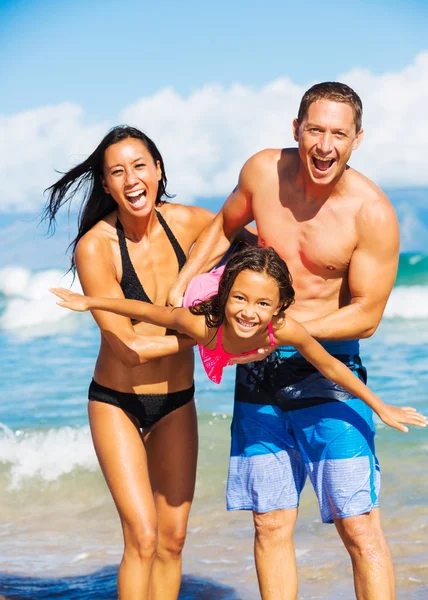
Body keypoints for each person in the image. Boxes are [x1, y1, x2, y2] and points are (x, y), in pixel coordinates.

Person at [164, 82, 409, 600]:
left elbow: (365, 317)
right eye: (315, 130)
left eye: (338, 134)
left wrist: (283, 330)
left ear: (357, 139)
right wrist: (183, 282)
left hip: (327, 373)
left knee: (358, 527)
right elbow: (224, 226)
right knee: (269, 524)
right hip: (259, 375)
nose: (324, 145)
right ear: (295, 129)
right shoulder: (262, 172)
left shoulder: (372, 213)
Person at [43, 125, 216, 600]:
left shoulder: (193, 224)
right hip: (117, 402)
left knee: (174, 539)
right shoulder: (95, 247)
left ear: (158, 170)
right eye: (117, 171)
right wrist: (208, 336)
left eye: (140, 165)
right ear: (105, 184)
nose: (132, 179)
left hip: (177, 402)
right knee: (142, 536)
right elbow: (128, 348)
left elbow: (260, 241)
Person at [51, 245, 426, 435]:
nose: (250, 313)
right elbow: (151, 311)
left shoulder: (283, 329)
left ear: (279, 309)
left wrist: (380, 406)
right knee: (184, 302)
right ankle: (225, 273)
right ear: (228, 299)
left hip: (234, 328)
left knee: (251, 292)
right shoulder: (204, 324)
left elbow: (328, 365)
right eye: (242, 300)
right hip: (203, 296)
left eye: (264, 304)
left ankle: (246, 269)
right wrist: (90, 301)